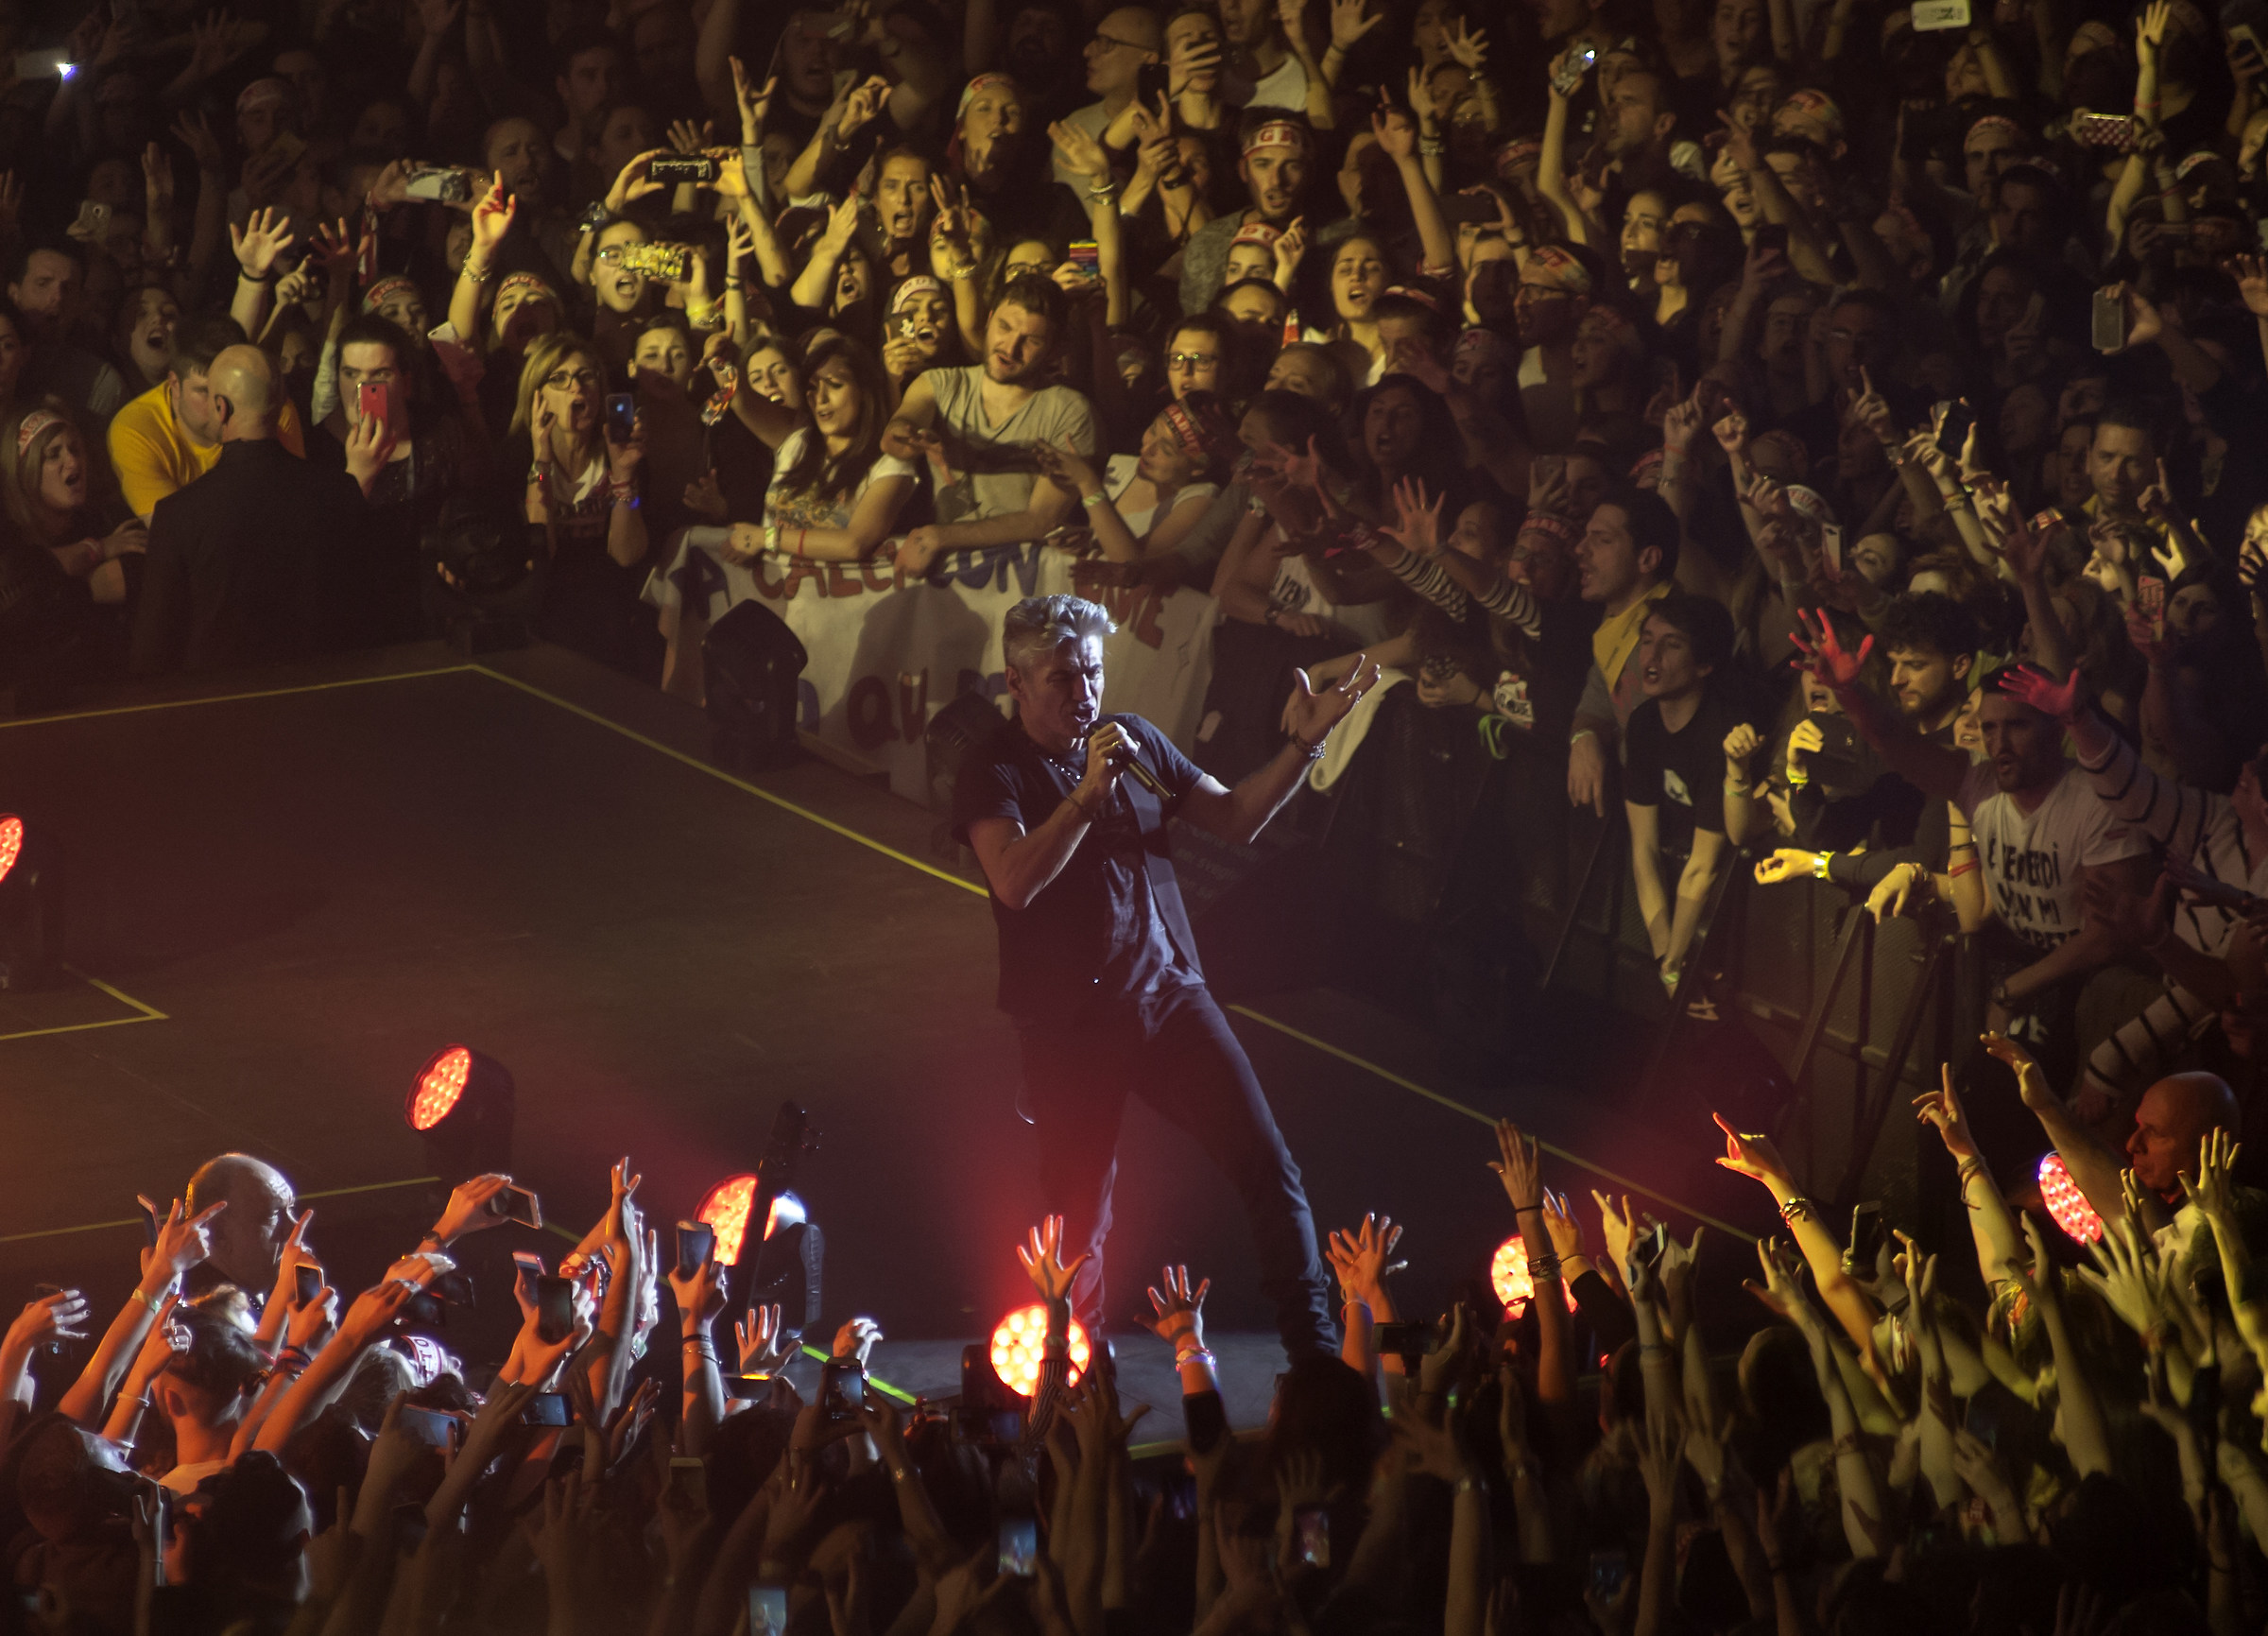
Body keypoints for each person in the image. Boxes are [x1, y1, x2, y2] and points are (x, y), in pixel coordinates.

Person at [953, 593, 1379, 1357]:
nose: (1083, 693)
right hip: (1069, 1028)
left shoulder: (1134, 742)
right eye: (1061, 679)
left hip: (1165, 997)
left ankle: (1312, 1350)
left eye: (1091, 672)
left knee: (1268, 1163)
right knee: (1080, 1216)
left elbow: (1237, 815)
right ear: (1015, 682)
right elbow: (1015, 881)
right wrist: (1086, 797)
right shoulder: (993, 768)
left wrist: (1303, 749)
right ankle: (1077, 1370)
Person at [129, 346, 375, 676]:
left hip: (222, 710)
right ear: (280, 402)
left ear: (222, 408)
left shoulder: (179, 514)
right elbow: (364, 615)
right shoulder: (340, 492)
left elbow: (153, 651)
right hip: (323, 701)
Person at [884, 273, 1097, 575]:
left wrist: (939, 536)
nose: (1010, 349)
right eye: (1005, 327)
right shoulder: (939, 383)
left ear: (1054, 348)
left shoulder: (1070, 411)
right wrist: (906, 435)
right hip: (944, 581)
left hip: (1022, 581)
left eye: (1031, 340)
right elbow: (897, 433)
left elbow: (1042, 519)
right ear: (990, 318)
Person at [108, 317, 310, 522]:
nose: (221, 406)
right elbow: (176, 534)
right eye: (205, 391)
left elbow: (291, 511)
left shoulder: (271, 408)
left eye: (231, 390)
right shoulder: (137, 429)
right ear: (174, 384)